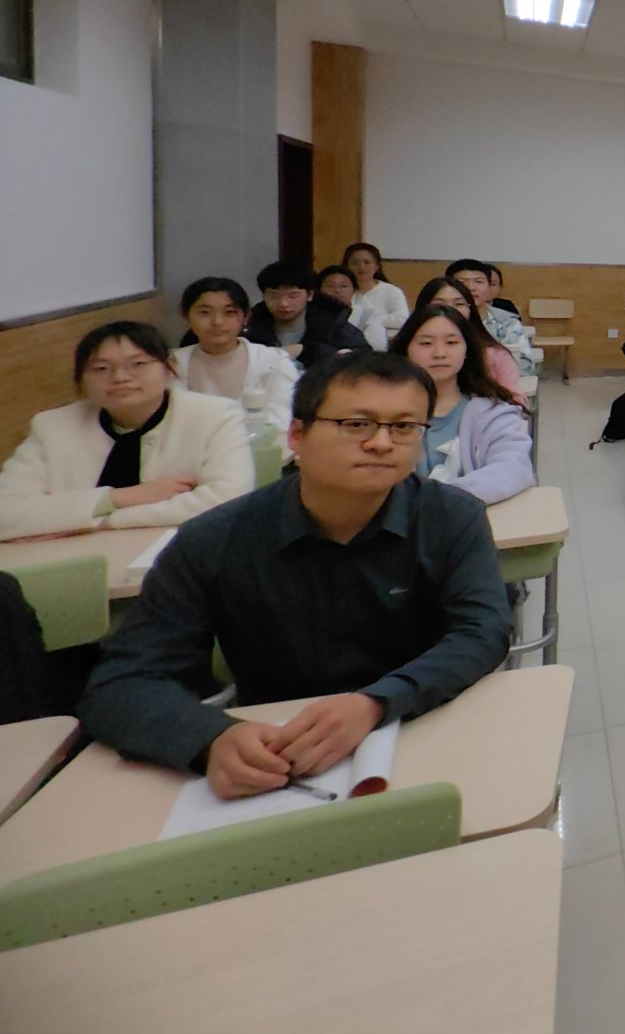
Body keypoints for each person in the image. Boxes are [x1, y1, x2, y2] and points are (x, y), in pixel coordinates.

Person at [75, 352, 513, 797]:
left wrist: (377, 702)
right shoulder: (215, 539)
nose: (382, 443)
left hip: (424, 726)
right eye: (357, 424)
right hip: (280, 755)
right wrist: (210, 739)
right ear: (297, 434)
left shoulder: (451, 517)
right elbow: (123, 683)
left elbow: (482, 631)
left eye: (404, 427)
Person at [0, 322, 255, 542]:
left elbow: (228, 500)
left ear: (168, 369)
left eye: (138, 364)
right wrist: (120, 498)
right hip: (74, 561)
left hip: (179, 553)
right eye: (101, 368)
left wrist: (102, 521)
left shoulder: (214, 415)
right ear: (82, 379)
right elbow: (5, 512)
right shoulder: (52, 426)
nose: (120, 377)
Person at [394, 306, 534, 504]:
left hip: (465, 516)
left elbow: (514, 468)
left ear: (467, 350)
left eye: (451, 342)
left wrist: (438, 500)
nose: (439, 353)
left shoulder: (492, 413)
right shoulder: (381, 412)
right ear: (406, 350)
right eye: (426, 343)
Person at [170, 276, 298, 436]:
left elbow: (281, 420)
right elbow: (173, 421)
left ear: (246, 317)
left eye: (229, 312)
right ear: (185, 316)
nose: (217, 322)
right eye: (205, 312)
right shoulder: (172, 365)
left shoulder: (273, 362)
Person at [417, 277, 527, 407]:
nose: (450, 310)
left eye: (459, 304)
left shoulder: (495, 354)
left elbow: (517, 402)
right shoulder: (409, 351)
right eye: (439, 304)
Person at [248, 261, 371, 368]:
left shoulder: (333, 323)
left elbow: (366, 357)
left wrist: (307, 351)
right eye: (274, 296)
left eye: (293, 296)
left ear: (310, 295)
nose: (283, 303)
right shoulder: (252, 326)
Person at [446, 260, 535, 375]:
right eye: (461, 282)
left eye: (479, 281)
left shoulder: (506, 323)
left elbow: (525, 364)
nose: (471, 288)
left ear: (489, 288)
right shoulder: (437, 320)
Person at [343, 242, 411, 352]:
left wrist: (374, 318)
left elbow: (403, 319)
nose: (361, 267)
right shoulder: (342, 292)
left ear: (377, 266)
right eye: (355, 263)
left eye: (367, 262)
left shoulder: (391, 291)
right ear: (346, 266)